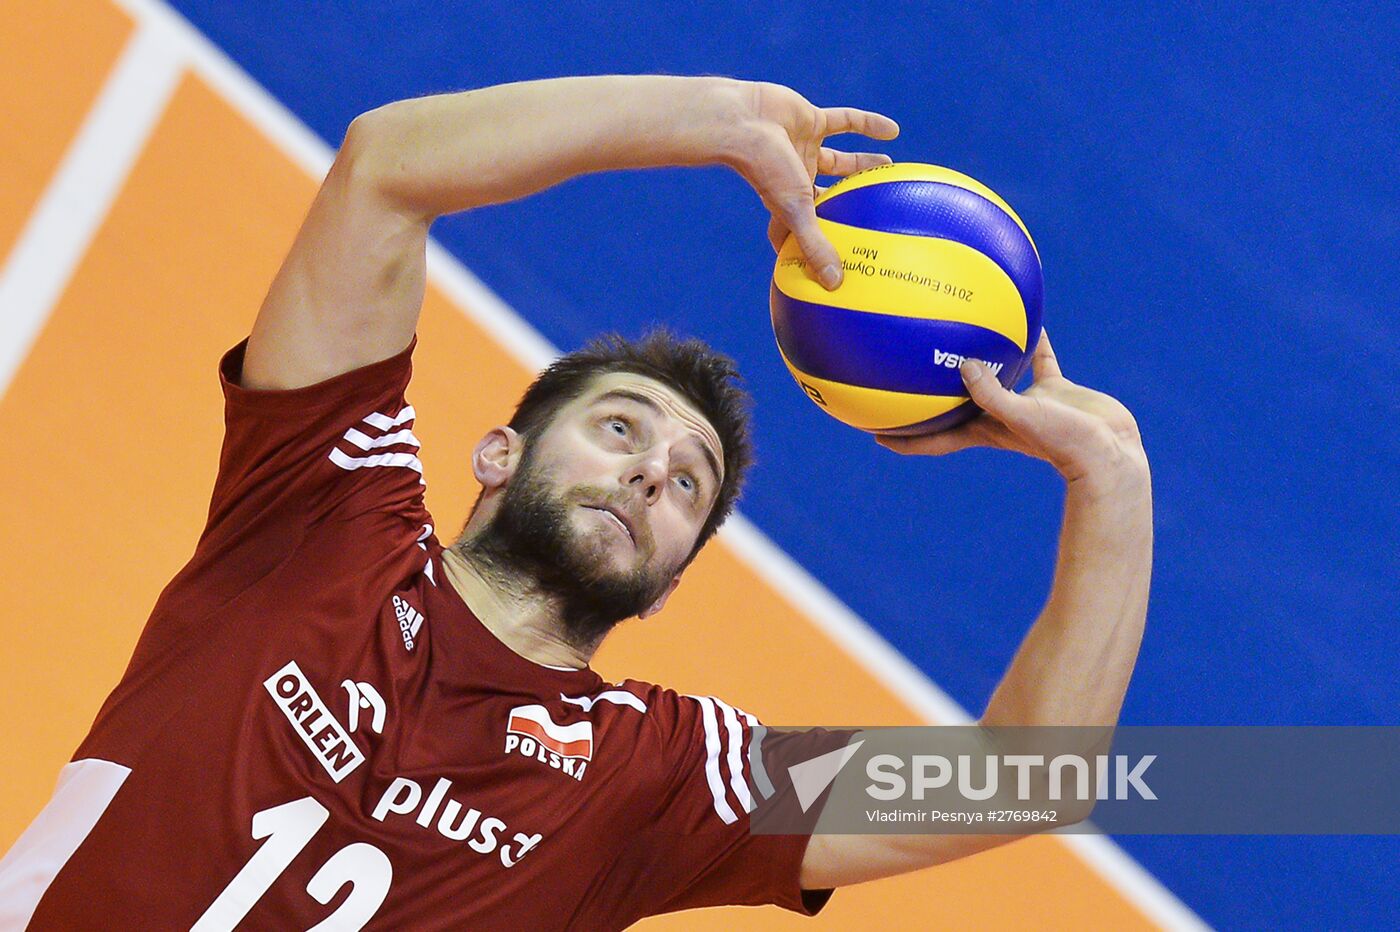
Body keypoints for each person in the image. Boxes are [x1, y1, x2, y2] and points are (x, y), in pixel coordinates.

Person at [0, 75, 1151, 929]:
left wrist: (1109, 481)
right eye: (618, 429)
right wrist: (703, 118)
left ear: (672, 572)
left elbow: (1020, 780)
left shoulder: (662, 779)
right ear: (495, 451)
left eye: (686, 484)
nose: (651, 472)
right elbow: (381, 170)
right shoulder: (321, 512)